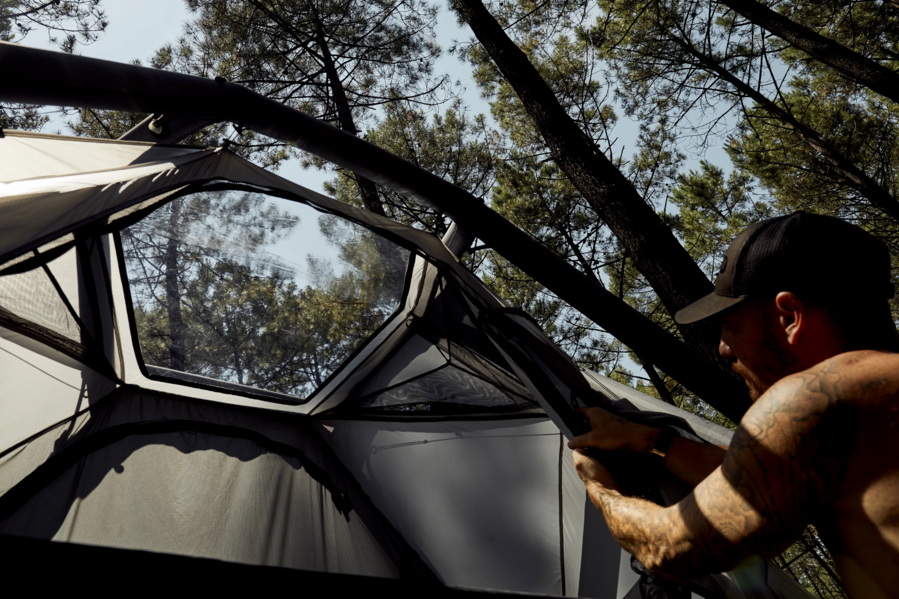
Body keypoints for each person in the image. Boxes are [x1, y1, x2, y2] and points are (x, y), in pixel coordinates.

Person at [569, 211, 899, 598]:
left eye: (731, 325)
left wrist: (598, 486)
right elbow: (758, 476)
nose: (724, 348)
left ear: (789, 316)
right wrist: (646, 439)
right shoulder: (871, 399)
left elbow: (671, 546)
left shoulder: (817, 397)